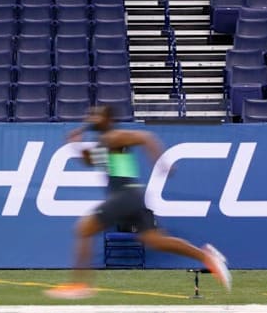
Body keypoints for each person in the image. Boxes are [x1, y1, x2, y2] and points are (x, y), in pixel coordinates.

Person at [45, 106, 231, 299]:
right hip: (132, 197)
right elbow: (92, 161)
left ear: (108, 119)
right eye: (89, 114)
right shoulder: (104, 142)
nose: (91, 117)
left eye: (96, 114)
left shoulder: (114, 136)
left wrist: (160, 162)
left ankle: (79, 284)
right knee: (156, 241)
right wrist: (77, 145)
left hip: (125, 196)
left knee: (83, 229)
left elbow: (146, 137)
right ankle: (206, 256)